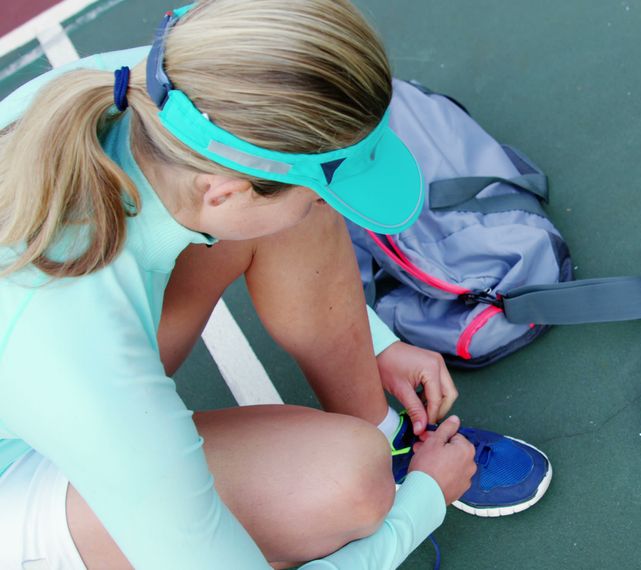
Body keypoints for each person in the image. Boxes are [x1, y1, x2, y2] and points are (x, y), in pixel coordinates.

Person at [0, 1, 551, 568]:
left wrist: (376, 345)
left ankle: (386, 433)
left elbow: (287, 196)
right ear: (223, 194)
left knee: (292, 204)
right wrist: (423, 503)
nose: (331, 212)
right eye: (321, 196)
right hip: (26, 460)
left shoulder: (174, 87)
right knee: (347, 485)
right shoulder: (83, 360)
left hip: (52, 374)